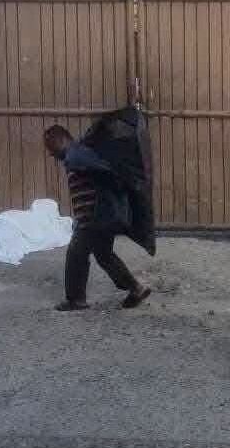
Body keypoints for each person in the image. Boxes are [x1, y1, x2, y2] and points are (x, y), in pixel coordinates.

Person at [44, 121, 152, 311]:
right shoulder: (79, 154)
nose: (51, 154)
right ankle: (136, 288)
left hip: (94, 217)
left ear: (61, 140)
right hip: (101, 216)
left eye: (51, 147)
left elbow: (104, 170)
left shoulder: (75, 155)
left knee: (76, 253)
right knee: (104, 255)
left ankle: (76, 299)